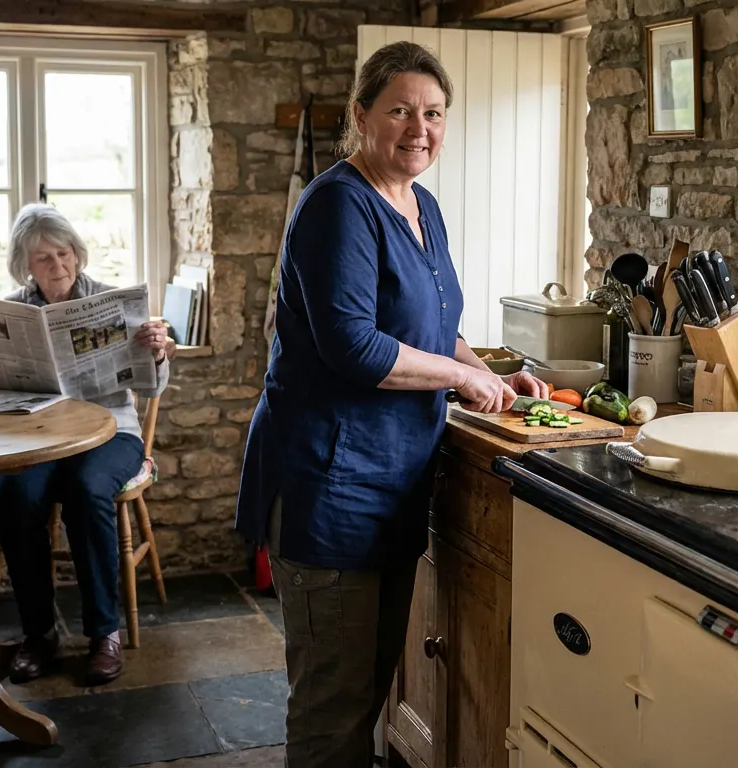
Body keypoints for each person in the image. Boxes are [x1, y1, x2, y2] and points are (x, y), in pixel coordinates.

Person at [235, 41, 549, 767]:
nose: (419, 128)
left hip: (389, 484)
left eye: (434, 113)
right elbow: (355, 347)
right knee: (332, 707)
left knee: (369, 692)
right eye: (400, 110)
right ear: (361, 115)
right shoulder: (337, 205)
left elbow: (436, 327)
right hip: (328, 486)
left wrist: (497, 374)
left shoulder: (421, 205)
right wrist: (461, 380)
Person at [0, 203, 172, 686]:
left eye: (65, 253)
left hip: (112, 431)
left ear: (78, 254)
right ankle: (39, 634)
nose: (59, 266)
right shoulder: (8, 312)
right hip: (39, 434)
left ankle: (103, 633)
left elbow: (151, 390)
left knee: (87, 491)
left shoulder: (112, 304)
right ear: (25, 265)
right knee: (15, 496)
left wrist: (156, 352)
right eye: (44, 258)